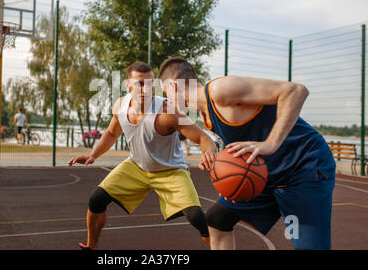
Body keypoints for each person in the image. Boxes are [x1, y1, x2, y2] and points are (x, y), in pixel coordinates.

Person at [158, 56, 336, 250]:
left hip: (304, 167)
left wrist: (270, 144)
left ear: (174, 87)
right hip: (269, 174)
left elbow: (296, 91)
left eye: (166, 94)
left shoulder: (220, 90)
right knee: (217, 220)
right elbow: (244, 144)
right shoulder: (207, 113)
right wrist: (227, 179)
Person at [68, 61, 217, 250]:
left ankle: (220, 247)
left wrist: (209, 152)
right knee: (97, 198)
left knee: (197, 217)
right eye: (140, 83)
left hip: (170, 171)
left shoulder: (167, 112)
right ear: (128, 85)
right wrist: (93, 155)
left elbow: (204, 138)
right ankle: (92, 247)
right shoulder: (121, 106)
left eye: (150, 83)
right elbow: (113, 133)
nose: (146, 88)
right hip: (137, 166)